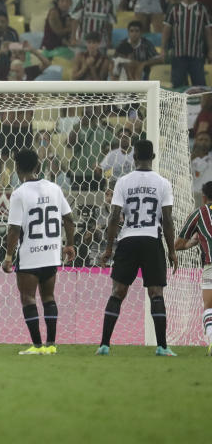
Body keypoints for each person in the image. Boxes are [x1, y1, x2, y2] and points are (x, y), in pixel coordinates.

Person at [96, 140, 178, 356]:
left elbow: (114, 216)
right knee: (156, 293)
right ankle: (162, 346)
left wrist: (108, 248)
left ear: (133, 158)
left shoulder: (123, 182)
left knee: (118, 292)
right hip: (152, 239)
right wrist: (171, 250)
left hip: (128, 240)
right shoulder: (163, 183)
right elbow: (167, 220)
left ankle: (104, 344)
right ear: (153, 157)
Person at [2, 149, 76, 355]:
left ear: (17, 168)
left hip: (30, 255)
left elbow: (14, 229)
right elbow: (69, 219)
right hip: (52, 253)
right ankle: (51, 344)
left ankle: (37, 346)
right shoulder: (55, 188)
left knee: (28, 298)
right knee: (49, 297)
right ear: (37, 167)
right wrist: (69, 244)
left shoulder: (19, 194)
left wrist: (8, 258)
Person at [174, 180, 212, 356]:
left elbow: (178, 244)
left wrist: (195, 241)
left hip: (210, 266)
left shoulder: (199, 214)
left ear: (204, 197)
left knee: (209, 306)